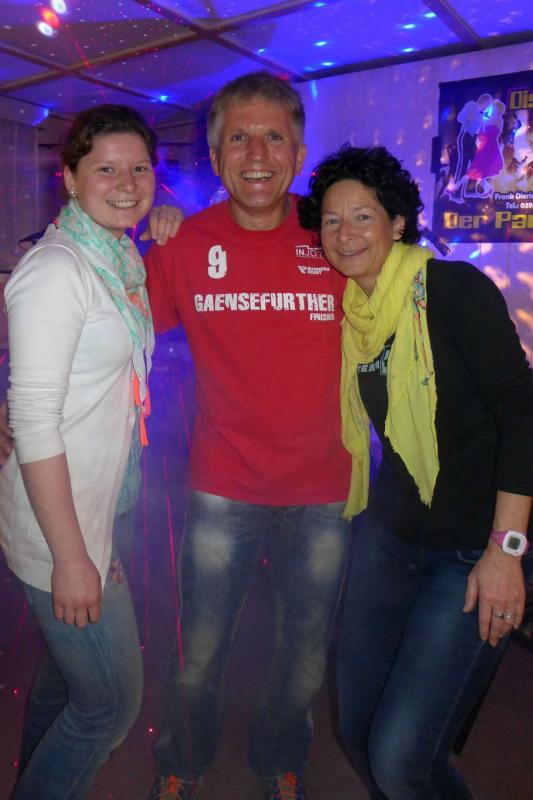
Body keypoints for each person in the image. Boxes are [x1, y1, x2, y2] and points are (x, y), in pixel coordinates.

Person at [297, 144, 533, 800]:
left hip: (471, 550)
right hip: (388, 538)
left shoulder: (451, 290)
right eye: (332, 220)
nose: (345, 234)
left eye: (362, 216)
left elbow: (521, 413)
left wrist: (506, 551)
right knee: (357, 728)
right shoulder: (354, 312)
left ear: (397, 221)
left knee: (401, 759)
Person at [145, 72, 352, 800]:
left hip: (324, 491)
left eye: (273, 137)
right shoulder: (183, 244)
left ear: (298, 152)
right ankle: (182, 761)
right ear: (214, 154)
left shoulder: (337, 238)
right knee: (200, 652)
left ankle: (279, 758)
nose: (257, 153)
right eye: (239, 137)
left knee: (304, 655)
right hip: (221, 487)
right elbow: (107, 328)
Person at [0, 103, 170, 800]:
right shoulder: (57, 270)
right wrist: (73, 559)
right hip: (61, 528)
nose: (126, 183)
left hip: (99, 505)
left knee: (64, 678)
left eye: (140, 169)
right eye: (105, 169)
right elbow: (35, 420)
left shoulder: (115, 256)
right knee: (109, 706)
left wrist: (171, 215)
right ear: (69, 178)